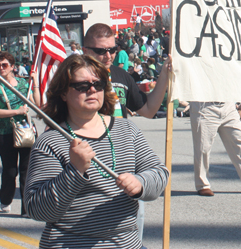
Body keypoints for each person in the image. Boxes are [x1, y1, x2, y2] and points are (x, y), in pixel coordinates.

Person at [24, 55, 168, 248]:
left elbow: (160, 173)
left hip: (127, 243)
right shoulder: (50, 141)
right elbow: (37, 210)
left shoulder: (127, 129)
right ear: (64, 93)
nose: (92, 90)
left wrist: (140, 183)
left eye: (98, 84)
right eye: (82, 86)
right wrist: (74, 171)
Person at [82, 23, 171, 240]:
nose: (108, 56)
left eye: (112, 49)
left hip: (122, 152)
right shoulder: (75, 80)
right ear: (85, 50)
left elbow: (149, 110)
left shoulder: (121, 76)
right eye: (101, 51)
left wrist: (165, 77)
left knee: (131, 220)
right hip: (90, 155)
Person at [0, 52, 40, 215]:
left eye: (4, 65)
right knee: (10, 170)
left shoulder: (24, 85)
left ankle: (26, 208)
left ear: (12, 66)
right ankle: (5, 198)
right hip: (6, 133)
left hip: (24, 131)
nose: (1, 68)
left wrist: (35, 83)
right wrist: (16, 110)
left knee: (26, 170)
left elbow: (38, 106)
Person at [189, 102, 241, 196]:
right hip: (204, 106)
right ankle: (203, 185)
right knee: (203, 147)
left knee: (239, 142)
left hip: (228, 105)